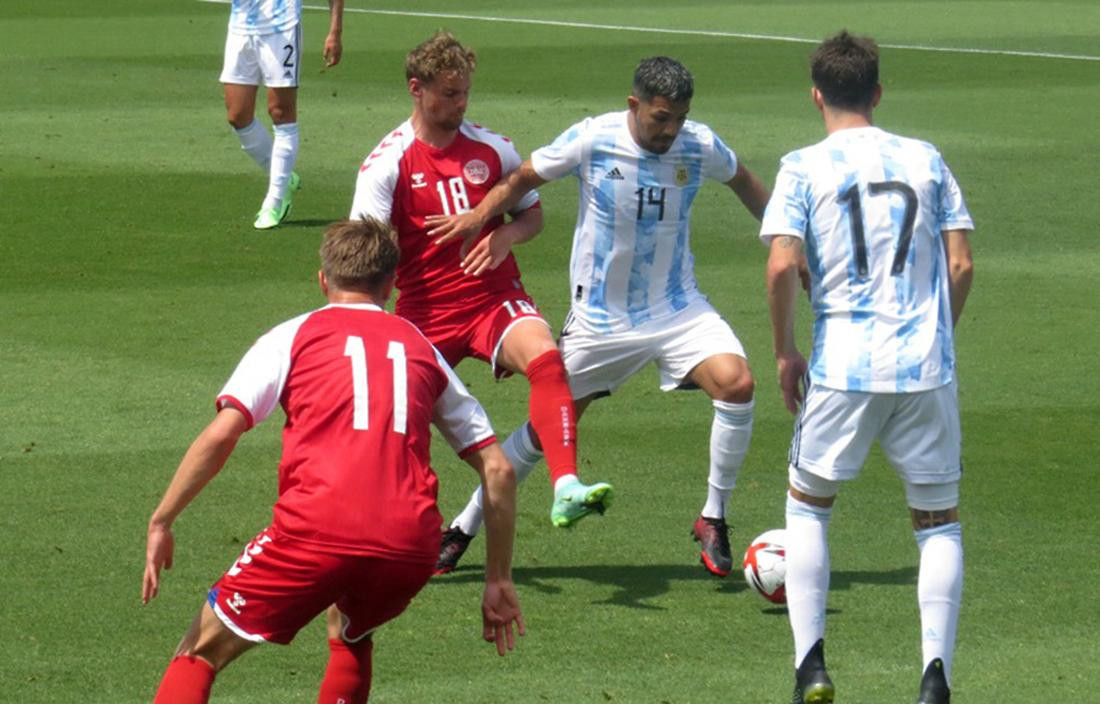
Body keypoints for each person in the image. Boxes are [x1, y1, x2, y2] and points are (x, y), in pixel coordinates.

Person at [143, 219, 524, 704]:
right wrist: (498, 579)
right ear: (390, 283)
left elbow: (223, 432)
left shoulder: (293, 335)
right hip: (408, 545)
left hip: (315, 531)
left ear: (323, 280)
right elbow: (498, 469)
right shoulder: (420, 347)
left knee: (197, 652)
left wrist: (163, 519)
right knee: (350, 630)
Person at [428, 56, 772, 578]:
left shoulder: (698, 145)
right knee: (547, 432)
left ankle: (713, 517)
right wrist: (483, 218)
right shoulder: (593, 139)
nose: (671, 129)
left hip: (678, 308)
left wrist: (783, 240)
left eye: (679, 117)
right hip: (601, 322)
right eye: (660, 117)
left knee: (738, 383)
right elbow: (523, 177)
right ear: (634, 105)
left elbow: (744, 180)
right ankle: (462, 528)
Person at [348, 30, 613, 576]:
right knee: (399, 429)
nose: (460, 103)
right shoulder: (387, 164)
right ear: (416, 89)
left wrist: (507, 237)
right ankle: (403, 532)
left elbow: (532, 213)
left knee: (546, 359)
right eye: (449, 94)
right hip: (424, 313)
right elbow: (365, 255)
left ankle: (565, 484)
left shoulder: (493, 149)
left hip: (494, 299)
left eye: (466, 92)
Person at [760, 31, 974, 704]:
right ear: (878, 93)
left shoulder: (801, 166)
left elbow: (778, 265)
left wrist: (784, 350)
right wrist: (937, 335)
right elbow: (961, 264)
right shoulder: (927, 158)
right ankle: (935, 677)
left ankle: (812, 668)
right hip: (924, 367)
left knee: (810, 509)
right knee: (938, 522)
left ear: (816, 95)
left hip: (845, 366)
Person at [221, 0, 345, 229]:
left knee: (280, 112)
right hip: (240, 26)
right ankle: (283, 176)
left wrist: (334, 31)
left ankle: (275, 200)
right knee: (237, 115)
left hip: (281, 27)